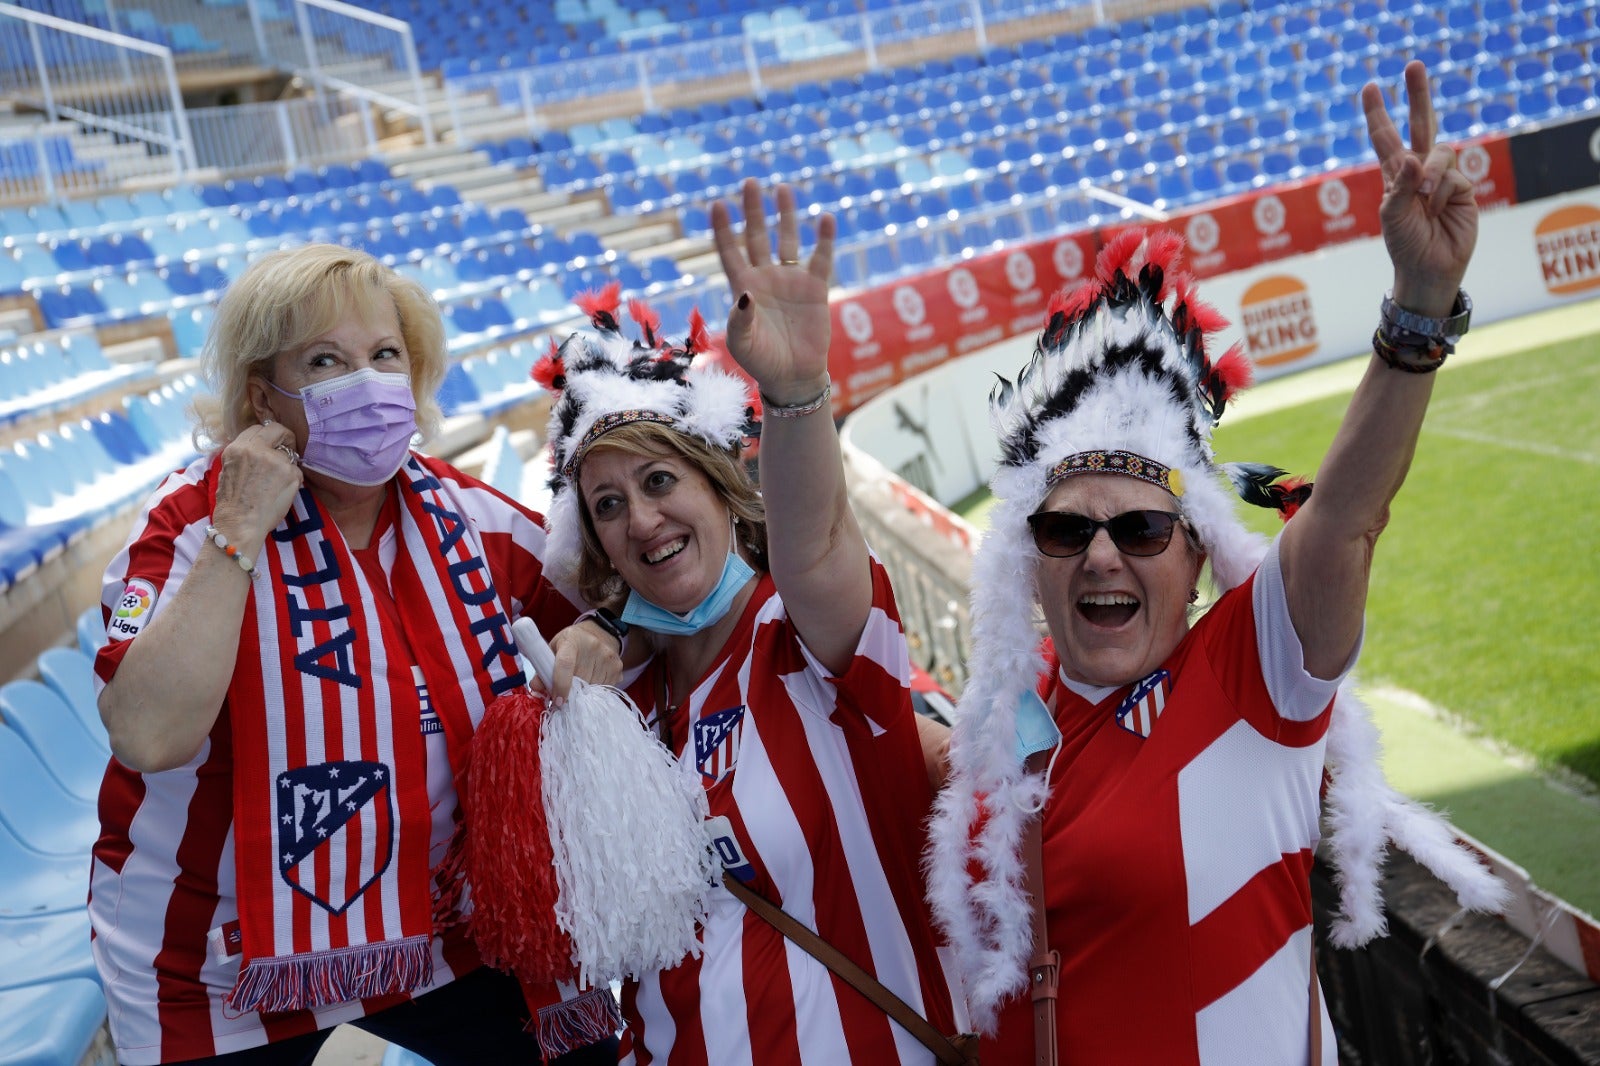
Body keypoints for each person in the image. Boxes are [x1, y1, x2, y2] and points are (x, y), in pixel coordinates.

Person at [926, 62, 1507, 1064]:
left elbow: (1345, 522)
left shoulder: (1250, 674)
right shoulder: (996, 734)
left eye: (1141, 530)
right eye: (1067, 530)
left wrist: (1416, 313)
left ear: (1196, 556)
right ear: (1029, 563)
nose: (1101, 551)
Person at [90, 244, 623, 1065]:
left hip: (450, 932)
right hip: (223, 970)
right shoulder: (189, 526)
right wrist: (239, 533)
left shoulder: (467, 514)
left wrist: (600, 634)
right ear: (263, 395)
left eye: (384, 356)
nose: (368, 383)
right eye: (326, 361)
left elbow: (621, 602)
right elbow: (146, 733)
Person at [528, 178, 963, 1064]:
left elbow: (816, 545)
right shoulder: (615, 705)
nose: (641, 520)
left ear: (723, 488)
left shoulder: (807, 637)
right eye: (608, 504)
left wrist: (798, 394)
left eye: (659, 483)